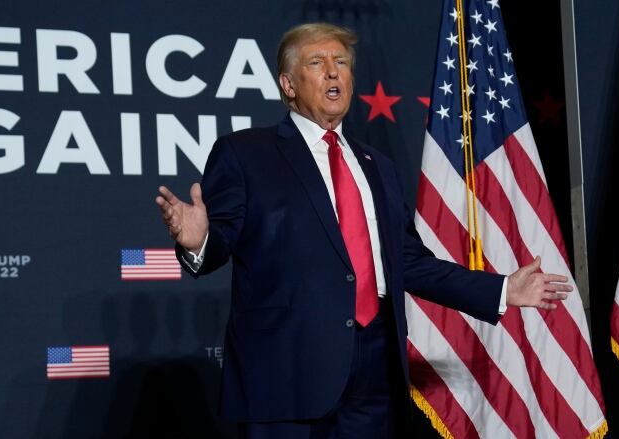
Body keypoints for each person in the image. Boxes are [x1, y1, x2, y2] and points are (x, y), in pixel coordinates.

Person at [156, 22, 572, 439]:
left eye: (341, 62)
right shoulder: (246, 153)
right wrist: (199, 242)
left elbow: (409, 262)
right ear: (288, 84)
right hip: (288, 373)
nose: (333, 72)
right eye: (317, 62)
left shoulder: (378, 166)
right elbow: (221, 239)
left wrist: (502, 290)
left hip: (375, 373)